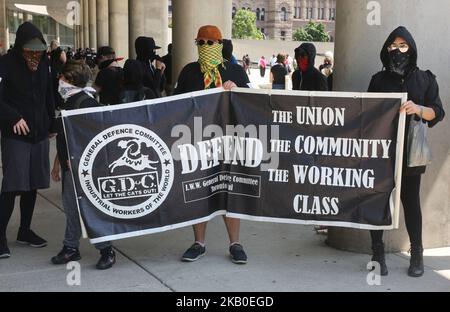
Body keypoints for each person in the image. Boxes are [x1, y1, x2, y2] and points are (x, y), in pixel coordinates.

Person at [367, 26, 445, 277]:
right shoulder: (378, 80)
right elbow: (365, 112)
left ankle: (417, 252)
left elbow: (437, 112)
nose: (397, 50)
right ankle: (377, 252)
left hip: (412, 151)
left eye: (402, 45)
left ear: (411, 48)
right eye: (393, 45)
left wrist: (418, 109)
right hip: (382, 150)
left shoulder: (425, 79)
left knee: (411, 202)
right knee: (377, 200)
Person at [174, 25, 250, 264]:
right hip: (197, 140)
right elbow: (176, 105)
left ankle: (235, 244)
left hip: (228, 141)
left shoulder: (236, 71)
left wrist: (236, 91)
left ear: (218, 44)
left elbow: (252, 104)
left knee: (230, 190)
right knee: (198, 191)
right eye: (200, 43)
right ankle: (199, 243)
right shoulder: (189, 71)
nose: (204, 47)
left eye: (209, 43)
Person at [50, 60, 116, 270]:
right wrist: (57, 164)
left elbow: (97, 136)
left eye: (63, 78)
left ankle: (106, 250)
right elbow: (65, 137)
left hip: (84, 169)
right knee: (71, 209)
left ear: (72, 81)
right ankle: (71, 247)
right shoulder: (69, 102)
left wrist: (80, 159)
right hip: (72, 168)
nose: (59, 81)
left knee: (90, 209)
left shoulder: (85, 103)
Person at [0, 22, 56, 259]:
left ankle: (25, 230)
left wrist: (52, 123)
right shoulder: (5, 64)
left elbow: (48, 95)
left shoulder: (44, 64)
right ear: (20, 46)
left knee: (33, 183)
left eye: (38, 50)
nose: (34, 55)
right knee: (13, 185)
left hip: (39, 133)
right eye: (30, 50)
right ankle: (0, 236)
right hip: (16, 135)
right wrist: (13, 117)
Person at [49, 40, 67, 110]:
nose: (51, 47)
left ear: (54, 45)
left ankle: (58, 104)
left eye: (51, 45)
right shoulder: (56, 52)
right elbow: (64, 61)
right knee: (57, 89)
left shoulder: (57, 52)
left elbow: (64, 62)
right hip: (56, 72)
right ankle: (58, 104)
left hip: (56, 72)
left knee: (57, 89)